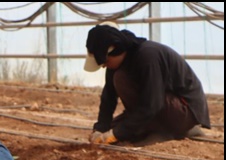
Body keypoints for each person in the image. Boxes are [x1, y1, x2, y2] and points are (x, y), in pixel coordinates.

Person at [83, 22, 211, 146]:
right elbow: (108, 97)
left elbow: (152, 104)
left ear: (114, 51)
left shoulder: (148, 56)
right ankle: (157, 129)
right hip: (160, 107)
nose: (104, 66)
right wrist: (101, 128)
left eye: (104, 61)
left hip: (185, 110)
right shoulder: (116, 64)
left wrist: (117, 133)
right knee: (114, 129)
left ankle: (167, 131)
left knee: (121, 81)